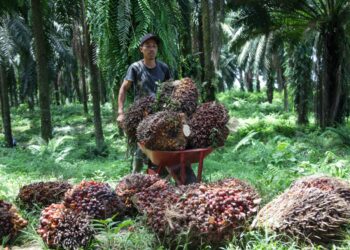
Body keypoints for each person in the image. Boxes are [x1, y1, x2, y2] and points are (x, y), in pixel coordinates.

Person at [117, 33, 172, 173]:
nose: (151, 49)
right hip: (141, 116)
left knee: (161, 148)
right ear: (141, 49)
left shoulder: (164, 68)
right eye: (147, 46)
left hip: (160, 116)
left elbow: (170, 88)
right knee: (141, 149)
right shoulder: (135, 68)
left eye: (154, 46)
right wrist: (120, 112)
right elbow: (123, 88)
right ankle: (135, 177)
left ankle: (160, 180)